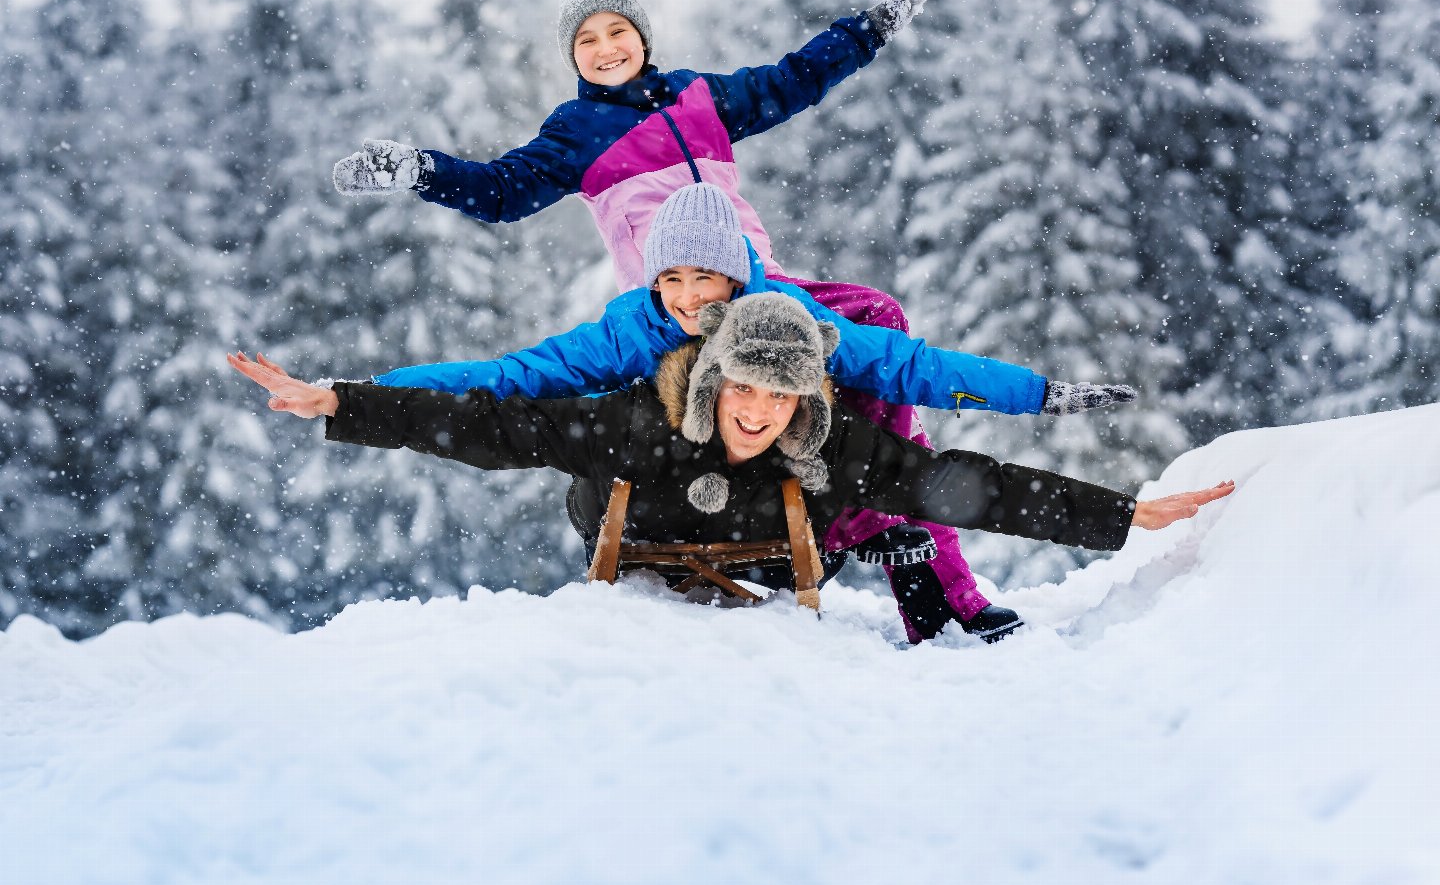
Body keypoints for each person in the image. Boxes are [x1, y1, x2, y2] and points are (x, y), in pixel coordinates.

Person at [327, 0, 1126, 640]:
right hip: (678, 313)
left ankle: (919, 564)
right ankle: (877, 527)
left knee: (879, 325)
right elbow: (500, 193)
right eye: (587, 39)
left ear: (642, 36)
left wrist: (873, 27)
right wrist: (418, 169)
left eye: (617, 31)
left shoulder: (698, 99)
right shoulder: (575, 134)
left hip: (761, 290)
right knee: (858, 353)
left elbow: (794, 80)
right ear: (573, 56)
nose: (606, 48)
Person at [354, 182, 1137, 640]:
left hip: (771, 477)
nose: (691, 297)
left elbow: (911, 370)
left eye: (707, 279)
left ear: (737, 278)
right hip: (661, 466)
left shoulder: (777, 319)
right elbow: (514, 380)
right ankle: (886, 536)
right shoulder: (640, 327)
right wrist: (369, 396)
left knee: (880, 347)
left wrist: (1038, 394)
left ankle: (893, 543)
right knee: (584, 422)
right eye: (672, 280)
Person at [226, 294, 1234, 643]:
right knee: (556, 447)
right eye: (743, 389)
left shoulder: (824, 443)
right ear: (715, 380)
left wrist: (1122, 515)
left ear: (804, 397)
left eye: (779, 395)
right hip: (645, 534)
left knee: (900, 509)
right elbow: (500, 426)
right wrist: (341, 403)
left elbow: (961, 484)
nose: (757, 411)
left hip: (770, 559)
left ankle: (929, 597)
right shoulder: (643, 419)